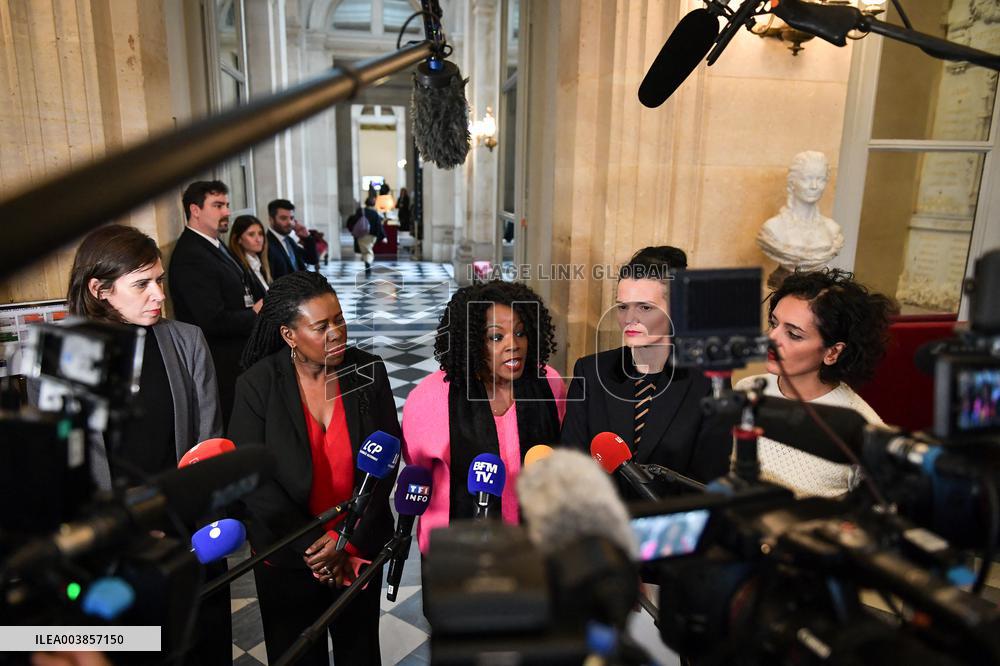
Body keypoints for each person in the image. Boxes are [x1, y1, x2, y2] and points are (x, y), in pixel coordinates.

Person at [65, 224, 228, 665]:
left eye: (159, 280)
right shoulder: (68, 360)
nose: (158, 294)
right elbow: (66, 470)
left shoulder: (187, 341)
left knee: (201, 648)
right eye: (141, 284)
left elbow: (208, 443)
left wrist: (181, 525)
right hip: (117, 548)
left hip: (189, 537)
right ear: (100, 290)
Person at [229, 271, 399, 666]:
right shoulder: (258, 384)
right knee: (296, 655)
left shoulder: (367, 371)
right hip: (288, 554)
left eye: (339, 319)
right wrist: (314, 550)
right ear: (289, 335)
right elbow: (253, 479)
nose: (336, 332)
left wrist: (344, 537)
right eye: (321, 326)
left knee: (359, 652)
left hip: (357, 542)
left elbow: (387, 458)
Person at [402, 280, 566, 553]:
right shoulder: (429, 399)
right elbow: (419, 471)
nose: (514, 345)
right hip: (456, 553)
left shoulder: (550, 383)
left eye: (521, 333)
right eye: (496, 337)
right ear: (472, 341)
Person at [561, 246, 731, 498]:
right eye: (622, 307)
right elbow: (570, 466)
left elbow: (708, 482)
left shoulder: (707, 383)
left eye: (645, 308)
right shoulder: (591, 372)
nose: (630, 318)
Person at [735, 268, 896, 497]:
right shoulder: (748, 388)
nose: (771, 338)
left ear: (832, 352)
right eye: (773, 323)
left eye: (793, 334)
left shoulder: (861, 429)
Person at [169, 180, 259, 428]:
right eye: (218, 205)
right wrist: (254, 314)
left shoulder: (214, 244)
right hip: (221, 363)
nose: (227, 212)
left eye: (227, 205)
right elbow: (209, 320)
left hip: (238, 356)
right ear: (195, 210)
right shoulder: (191, 255)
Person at [758, 151, 844, 286]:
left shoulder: (832, 230)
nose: (814, 186)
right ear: (792, 182)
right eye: (806, 178)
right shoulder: (773, 228)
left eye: (820, 179)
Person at [266, 198, 319, 279]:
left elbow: (312, 259)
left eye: (291, 218)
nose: (290, 222)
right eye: (283, 218)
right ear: (271, 220)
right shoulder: (266, 244)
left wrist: (307, 237)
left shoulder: (289, 240)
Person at [228, 214, 271, 301]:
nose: (258, 239)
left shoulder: (261, 264)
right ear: (238, 239)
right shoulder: (236, 267)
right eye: (251, 234)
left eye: (260, 233)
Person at [355, 196, 385, 276]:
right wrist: (382, 236)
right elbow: (378, 225)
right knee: (368, 250)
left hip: (361, 234)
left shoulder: (360, 211)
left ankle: (367, 262)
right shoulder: (374, 213)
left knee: (365, 250)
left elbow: (354, 222)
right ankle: (368, 263)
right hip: (372, 236)